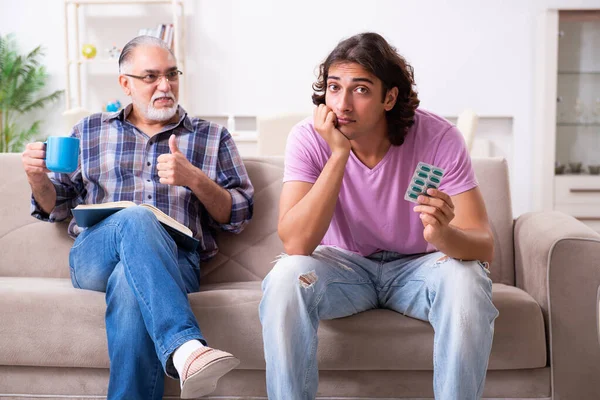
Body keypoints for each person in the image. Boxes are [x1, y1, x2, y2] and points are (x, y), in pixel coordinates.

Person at [259, 32, 498, 400]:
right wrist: (338, 155)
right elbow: (296, 243)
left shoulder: (439, 138)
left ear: (389, 97)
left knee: (467, 280)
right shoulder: (308, 138)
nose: (342, 104)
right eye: (334, 88)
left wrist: (443, 236)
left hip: (420, 268)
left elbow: (484, 244)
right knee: (285, 278)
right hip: (343, 269)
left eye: (361, 90)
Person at [21, 36, 254, 400]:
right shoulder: (90, 130)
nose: (165, 85)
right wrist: (37, 180)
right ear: (125, 83)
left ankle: (183, 354)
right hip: (94, 254)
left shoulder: (212, 137)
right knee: (136, 218)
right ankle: (187, 347)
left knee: (130, 287)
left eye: (171, 74)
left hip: (177, 260)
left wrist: (194, 178)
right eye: (151, 77)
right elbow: (55, 205)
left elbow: (238, 214)